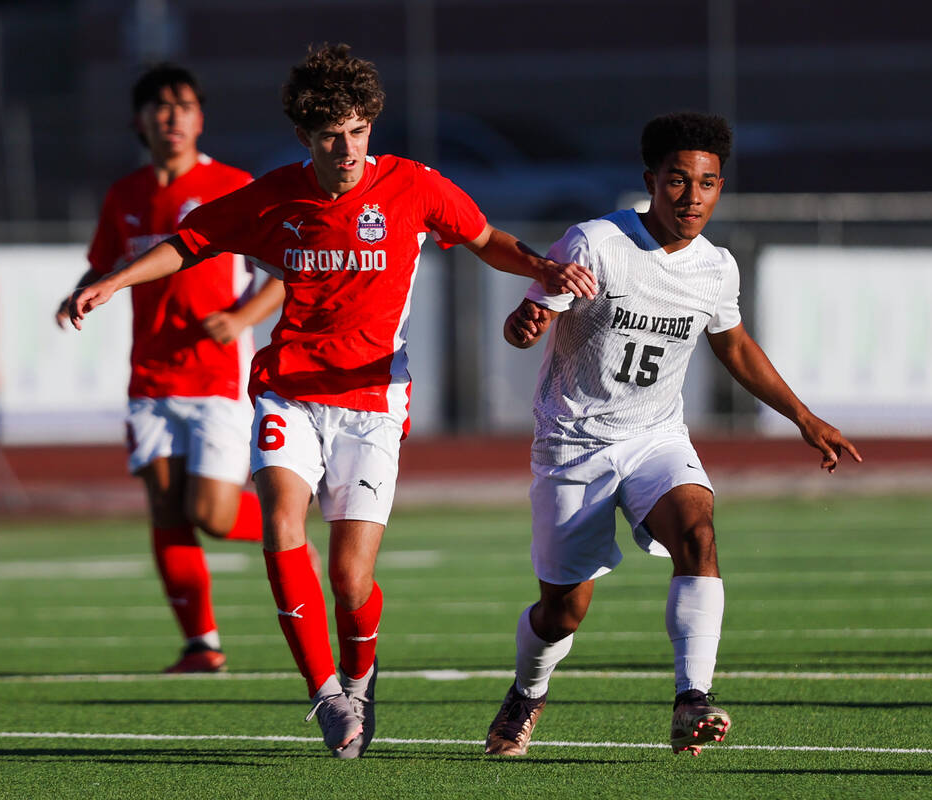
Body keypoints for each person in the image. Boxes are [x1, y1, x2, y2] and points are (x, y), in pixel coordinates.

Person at [67, 43, 597, 759]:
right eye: (328, 137)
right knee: (282, 525)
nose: (345, 149)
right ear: (304, 138)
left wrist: (542, 267)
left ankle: (359, 676)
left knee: (350, 578)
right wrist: (111, 283)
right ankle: (324, 694)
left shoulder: (414, 186)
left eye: (355, 131)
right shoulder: (276, 194)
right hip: (288, 391)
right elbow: (190, 243)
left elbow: (483, 238)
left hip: (373, 399)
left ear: (370, 125)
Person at [485, 112, 862, 757]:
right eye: (678, 181)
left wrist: (804, 418)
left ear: (721, 188)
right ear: (650, 181)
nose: (693, 197)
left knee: (698, 531)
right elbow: (530, 317)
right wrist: (526, 324)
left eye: (708, 183)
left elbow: (734, 345)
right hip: (574, 445)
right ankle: (528, 692)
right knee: (562, 613)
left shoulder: (716, 268)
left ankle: (692, 701)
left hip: (656, 438)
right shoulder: (595, 243)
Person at [56, 64, 288, 674]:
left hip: (218, 381)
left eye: (184, 106)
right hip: (151, 380)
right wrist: (80, 292)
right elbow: (105, 266)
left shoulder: (233, 185)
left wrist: (242, 320)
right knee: (165, 508)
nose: (173, 117)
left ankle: (289, 531)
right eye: (160, 107)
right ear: (140, 121)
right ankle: (201, 645)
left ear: (200, 118)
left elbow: (285, 273)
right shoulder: (125, 195)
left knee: (210, 512)